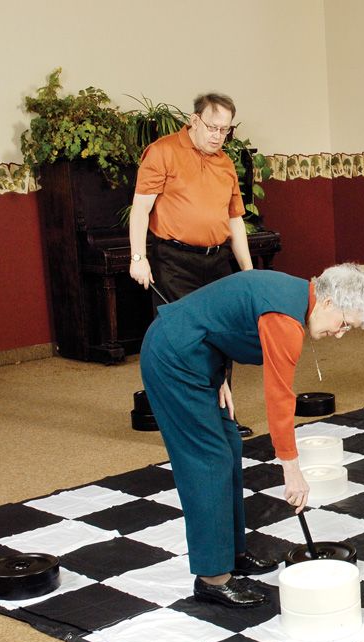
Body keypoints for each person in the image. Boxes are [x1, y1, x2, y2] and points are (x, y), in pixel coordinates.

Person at [140, 264, 364, 607]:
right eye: (344, 324)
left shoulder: (299, 297)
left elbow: (222, 318)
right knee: (208, 459)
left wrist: (219, 374)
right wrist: (292, 470)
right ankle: (212, 577)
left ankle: (232, 553)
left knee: (229, 444)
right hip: (174, 357)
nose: (341, 334)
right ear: (328, 303)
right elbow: (279, 398)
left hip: (200, 355)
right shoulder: (285, 321)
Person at [128, 92, 257, 436]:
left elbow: (234, 222)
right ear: (194, 119)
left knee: (223, 337)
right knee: (184, 341)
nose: (218, 135)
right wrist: (137, 258)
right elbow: (140, 208)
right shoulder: (163, 152)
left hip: (216, 262)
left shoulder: (226, 164)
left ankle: (221, 417)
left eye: (225, 130)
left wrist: (248, 274)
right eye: (212, 127)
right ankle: (190, 422)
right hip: (173, 260)